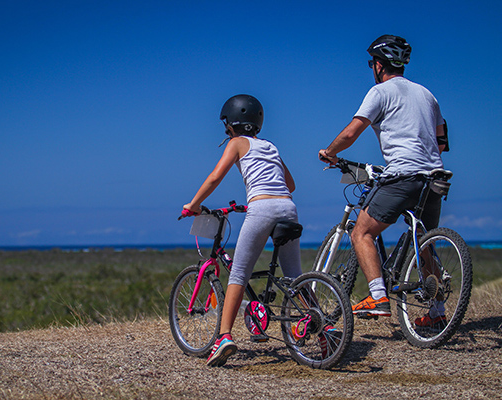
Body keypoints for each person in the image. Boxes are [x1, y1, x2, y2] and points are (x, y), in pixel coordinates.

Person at [319, 35, 449, 326]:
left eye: (371, 63)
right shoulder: (428, 95)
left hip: (403, 175)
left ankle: (377, 297)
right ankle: (438, 313)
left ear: (378, 64)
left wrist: (329, 152)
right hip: (435, 178)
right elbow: (441, 142)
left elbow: (352, 133)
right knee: (423, 243)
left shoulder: (379, 92)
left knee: (361, 233)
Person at [183, 94, 303, 367]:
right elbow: (291, 184)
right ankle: (319, 324)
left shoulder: (236, 143)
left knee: (238, 273)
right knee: (294, 276)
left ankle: (224, 338)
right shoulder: (270, 146)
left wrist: (194, 204)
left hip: (261, 209)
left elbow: (215, 177)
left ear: (231, 123)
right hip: (288, 207)